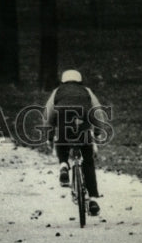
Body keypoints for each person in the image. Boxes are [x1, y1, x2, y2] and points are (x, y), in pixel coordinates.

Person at [45, 69, 105, 215]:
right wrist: (97, 132)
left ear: (63, 81)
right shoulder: (87, 91)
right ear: (80, 80)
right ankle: (92, 199)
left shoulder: (57, 92)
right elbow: (97, 112)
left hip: (63, 127)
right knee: (88, 161)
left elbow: (48, 115)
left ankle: (64, 164)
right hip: (82, 127)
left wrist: (49, 135)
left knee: (61, 140)